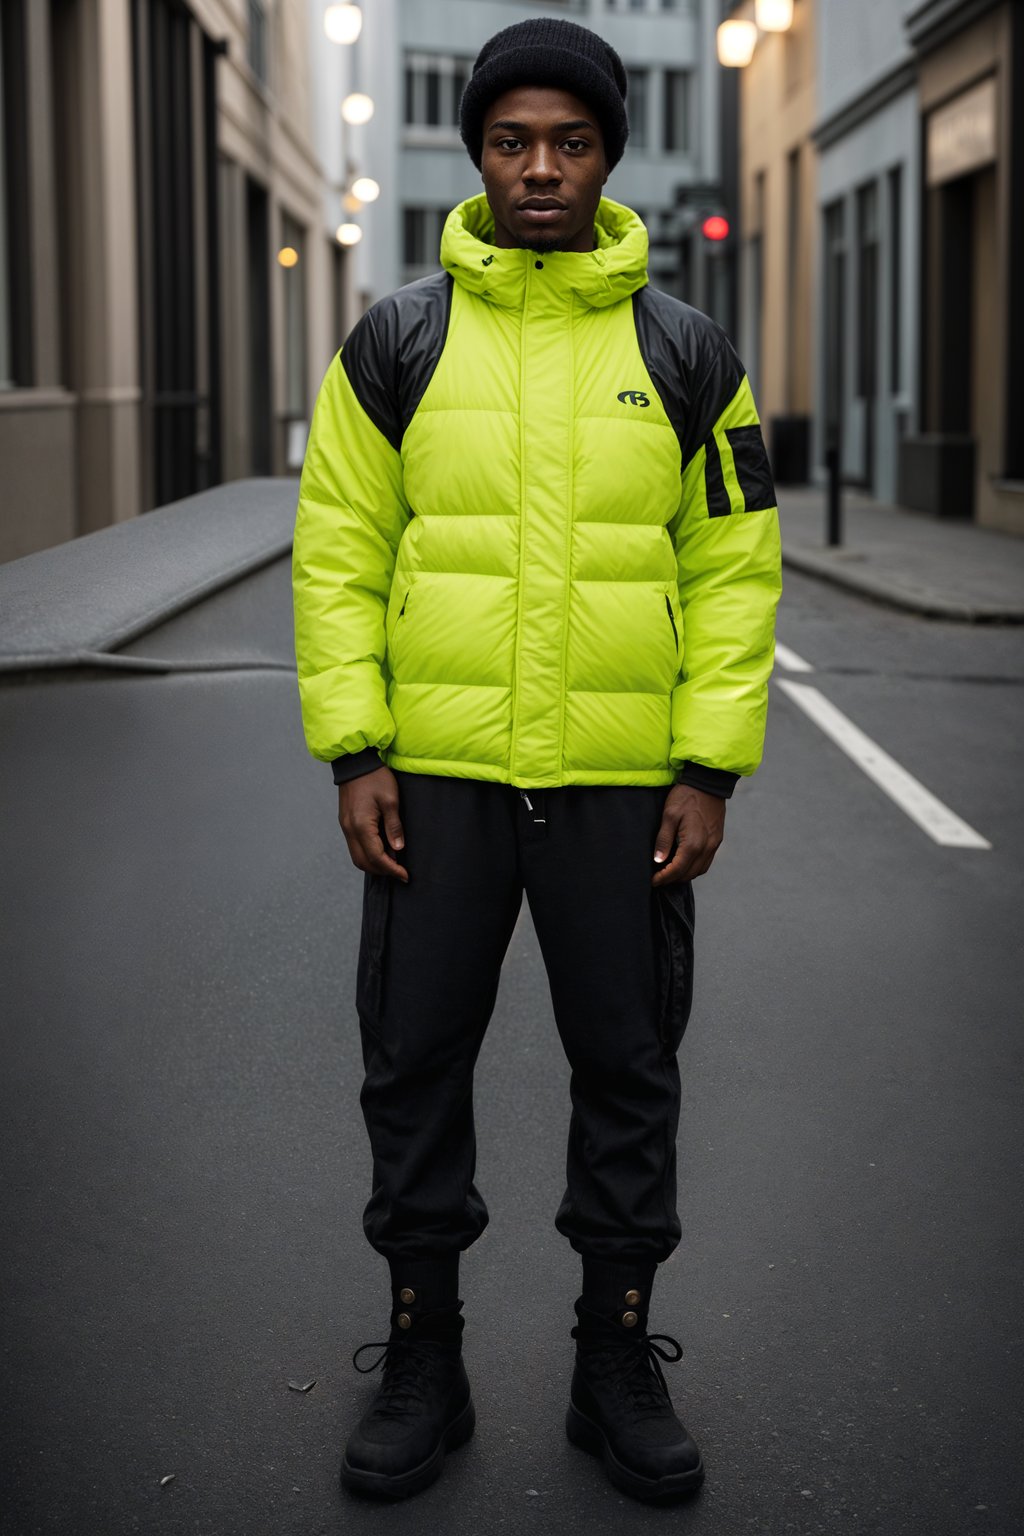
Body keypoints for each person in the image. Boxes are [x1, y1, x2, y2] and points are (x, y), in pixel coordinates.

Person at [292, 16, 781, 1507]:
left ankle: (612, 1358)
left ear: (610, 153)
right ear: (478, 155)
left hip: (622, 787)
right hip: (436, 781)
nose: (543, 168)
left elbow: (737, 565)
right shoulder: (399, 339)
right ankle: (422, 1355)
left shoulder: (689, 350)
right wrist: (356, 749)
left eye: (571, 141)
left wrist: (708, 768)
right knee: (415, 1064)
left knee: (628, 1072)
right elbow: (339, 550)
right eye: (514, 141)